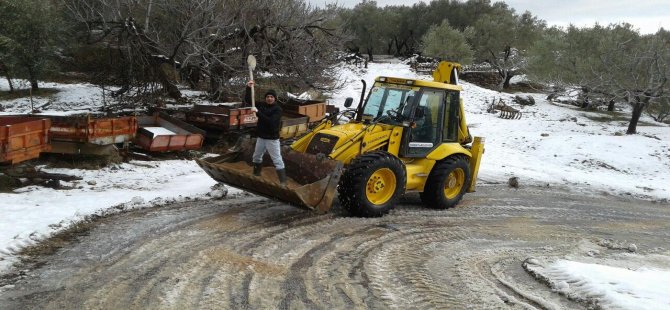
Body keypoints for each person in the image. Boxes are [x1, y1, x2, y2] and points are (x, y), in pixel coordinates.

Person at [244, 80, 286, 184]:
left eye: (271, 97)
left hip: (272, 139)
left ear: (275, 98)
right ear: (265, 98)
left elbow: (270, 122)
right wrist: (248, 88)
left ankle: (283, 182)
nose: (269, 98)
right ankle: (256, 175)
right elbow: (249, 100)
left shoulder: (278, 110)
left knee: (277, 160)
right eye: (267, 97)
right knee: (256, 157)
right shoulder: (262, 105)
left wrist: (257, 112)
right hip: (261, 138)